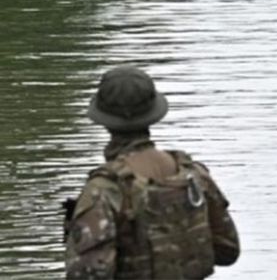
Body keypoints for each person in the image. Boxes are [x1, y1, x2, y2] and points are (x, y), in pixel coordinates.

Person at [63, 65, 240, 279]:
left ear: (103, 120)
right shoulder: (193, 175)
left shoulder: (104, 190)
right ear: (153, 113)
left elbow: (87, 275)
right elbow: (227, 250)